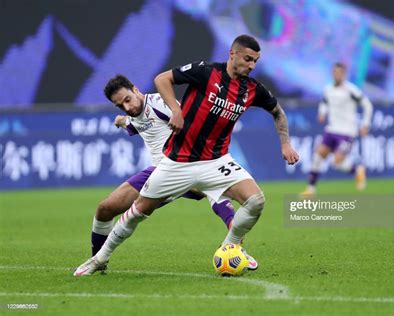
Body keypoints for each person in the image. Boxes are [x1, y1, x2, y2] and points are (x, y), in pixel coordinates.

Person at [74, 34, 299, 277]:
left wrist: (285, 144)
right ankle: (99, 259)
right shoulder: (206, 72)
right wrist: (161, 114)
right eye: (247, 59)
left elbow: (277, 111)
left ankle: (230, 247)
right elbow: (160, 84)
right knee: (136, 211)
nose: (252, 66)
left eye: (255, 61)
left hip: (216, 160)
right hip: (177, 163)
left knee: (255, 200)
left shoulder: (252, 90)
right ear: (232, 54)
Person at [83, 75, 237, 273]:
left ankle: (237, 246)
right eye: (120, 106)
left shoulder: (159, 103)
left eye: (127, 99)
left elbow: (189, 122)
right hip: (157, 172)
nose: (127, 107)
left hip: (180, 166)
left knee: (213, 189)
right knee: (105, 209)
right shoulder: (134, 114)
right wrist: (122, 121)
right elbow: (134, 124)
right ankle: (98, 261)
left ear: (136, 89)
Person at [300, 62, 373, 196]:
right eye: (335, 72)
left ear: (344, 74)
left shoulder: (351, 90)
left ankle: (357, 171)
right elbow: (324, 102)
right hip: (332, 129)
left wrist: (365, 124)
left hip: (347, 131)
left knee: (337, 162)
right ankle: (310, 189)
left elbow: (367, 105)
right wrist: (322, 112)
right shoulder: (328, 89)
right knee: (318, 155)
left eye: (339, 73)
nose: (337, 75)